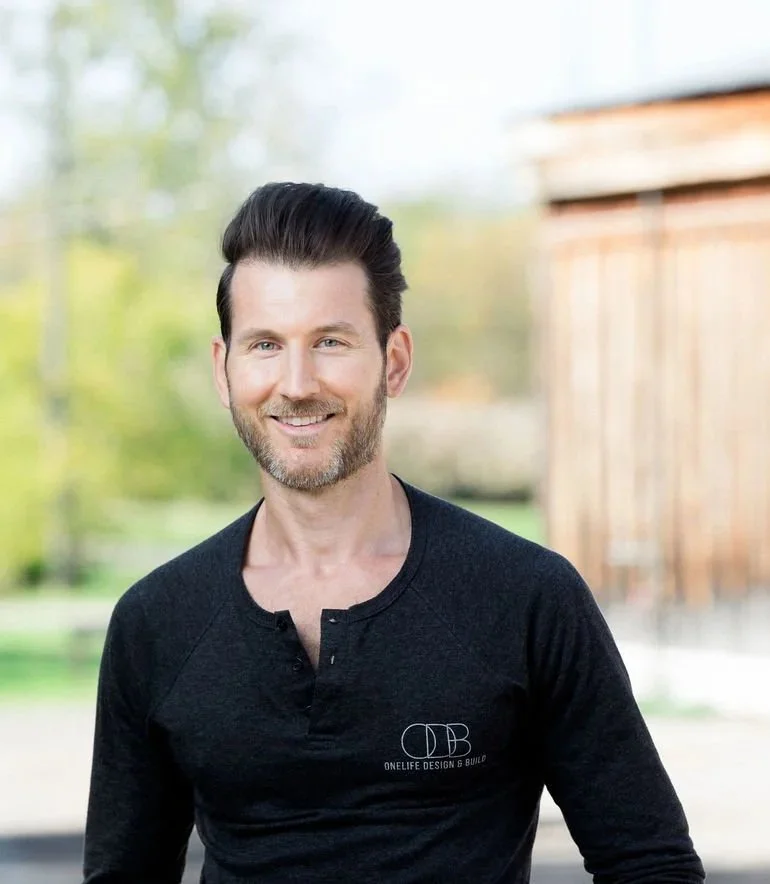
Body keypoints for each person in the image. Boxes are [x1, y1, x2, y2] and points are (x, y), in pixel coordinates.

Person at [83, 182, 705, 883]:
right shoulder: (157, 622)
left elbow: (650, 864)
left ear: (396, 361)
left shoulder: (524, 596)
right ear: (224, 370)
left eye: (330, 342)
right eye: (264, 345)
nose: (296, 383)